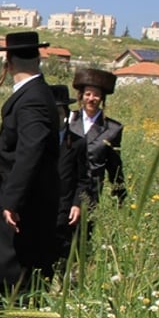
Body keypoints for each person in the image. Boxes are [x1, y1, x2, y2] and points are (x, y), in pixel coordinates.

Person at [0, 31, 61, 308]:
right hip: (14, 199)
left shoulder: (32, 98)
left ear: (7, 63)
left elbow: (30, 151)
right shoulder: (37, 93)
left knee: (1, 271)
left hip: (12, 204)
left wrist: (12, 201)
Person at [67, 67, 127, 205]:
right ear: (81, 96)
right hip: (67, 188)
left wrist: (120, 196)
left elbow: (114, 165)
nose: (91, 99)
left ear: (102, 99)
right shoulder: (69, 119)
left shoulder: (113, 129)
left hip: (91, 192)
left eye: (96, 95)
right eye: (87, 94)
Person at [51, 83, 95, 269]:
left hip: (64, 206)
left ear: (66, 114)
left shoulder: (77, 143)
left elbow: (84, 178)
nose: (55, 117)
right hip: (42, 207)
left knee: (63, 252)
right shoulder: (37, 141)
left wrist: (77, 203)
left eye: (59, 112)